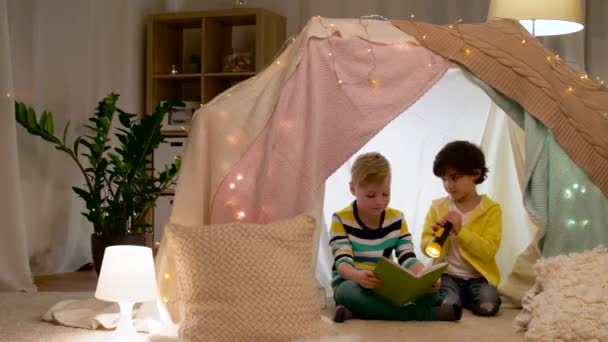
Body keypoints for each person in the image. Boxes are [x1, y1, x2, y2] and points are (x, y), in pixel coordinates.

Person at [330, 152, 461, 323]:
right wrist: (357, 275)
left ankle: (357, 313)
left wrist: (423, 275)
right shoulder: (340, 218)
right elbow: (342, 261)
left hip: (386, 287)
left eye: (385, 194)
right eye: (371, 195)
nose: (379, 202)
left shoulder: (397, 219)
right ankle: (425, 314)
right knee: (346, 293)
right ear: (353, 188)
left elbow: (407, 257)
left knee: (432, 290)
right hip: (354, 282)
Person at [420, 141, 502, 317]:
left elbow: (488, 252)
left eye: (454, 177)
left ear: (475, 173)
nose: (448, 184)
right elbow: (426, 249)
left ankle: (464, 299)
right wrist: (435, 239)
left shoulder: (491, 210)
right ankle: (454, 300)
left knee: (488, 306)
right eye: (444, 179)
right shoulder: (437, 207)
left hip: (478, 278)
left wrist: (461, 230)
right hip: (447, 275)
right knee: (447, 303)